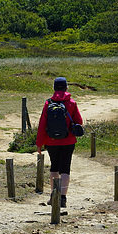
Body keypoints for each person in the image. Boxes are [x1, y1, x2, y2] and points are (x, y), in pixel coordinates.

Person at [36, 77, 84, 208]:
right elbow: (79, 121)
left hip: (51, 141)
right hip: (68, 141)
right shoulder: (72, 103)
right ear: (67, 88)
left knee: (54, 167)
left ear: (54, 88)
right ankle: (62, 198)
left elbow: (42, 124)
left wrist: (39, 143)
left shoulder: (48, 103)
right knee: (65, 169)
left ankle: (53, 195)